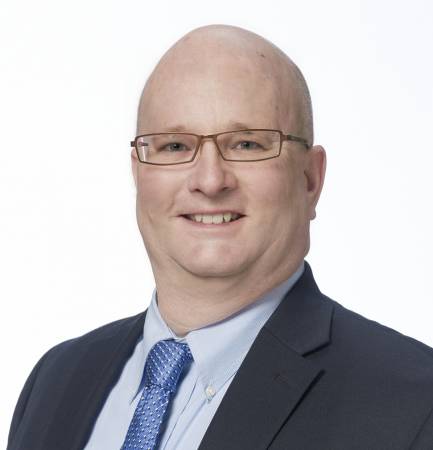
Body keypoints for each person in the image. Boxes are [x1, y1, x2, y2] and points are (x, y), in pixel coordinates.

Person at [7, 24, 433, 450]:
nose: (210, 181)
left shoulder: (413, 401)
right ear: (138, 173)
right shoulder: (56, 381)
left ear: (310, 179)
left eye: (246, 144)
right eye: (174, 146)